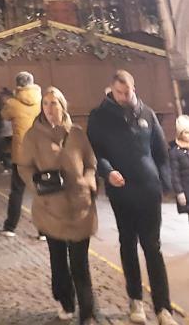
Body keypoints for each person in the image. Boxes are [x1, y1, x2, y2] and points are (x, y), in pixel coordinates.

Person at [87, 70, 177, 325]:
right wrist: (108, 171)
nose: (126, 96)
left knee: (153, 247)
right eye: (120, 93)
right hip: (121, 190)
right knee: (128, 244)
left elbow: (161, 152)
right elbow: (96, 152)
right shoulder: (100, 116)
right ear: (111, 90)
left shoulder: (146, 113)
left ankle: (163, 308)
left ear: (134, 88)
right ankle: (135, 300)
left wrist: (164, 182)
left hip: (148, 189)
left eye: (129, 91)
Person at [19, 86, 98, 324]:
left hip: (79, 207)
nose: (50, 108)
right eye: (45, 104)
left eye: (54, 103)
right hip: (50, 207)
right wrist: (38, 188)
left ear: (63, 106)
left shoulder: (76, 133)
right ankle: (65, 300)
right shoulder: (33, 136)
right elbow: (24, 166)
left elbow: (90, 162)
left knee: (80, 264)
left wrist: (88, 180)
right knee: (59, 262)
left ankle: (87, 310)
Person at [0, 71, 42, 237]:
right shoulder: (42, 101)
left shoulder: (13, 103)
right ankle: (44, 231)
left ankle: (10, 227)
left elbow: (4, 115)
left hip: (21, 154)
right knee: (41, 192)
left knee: (17, 191)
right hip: (39, 153)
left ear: (17, 85)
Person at [169, 114, 189, 226]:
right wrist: (179, 192)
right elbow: (174, 174)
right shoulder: (175, 152)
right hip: (187, 191)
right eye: (186, 132)